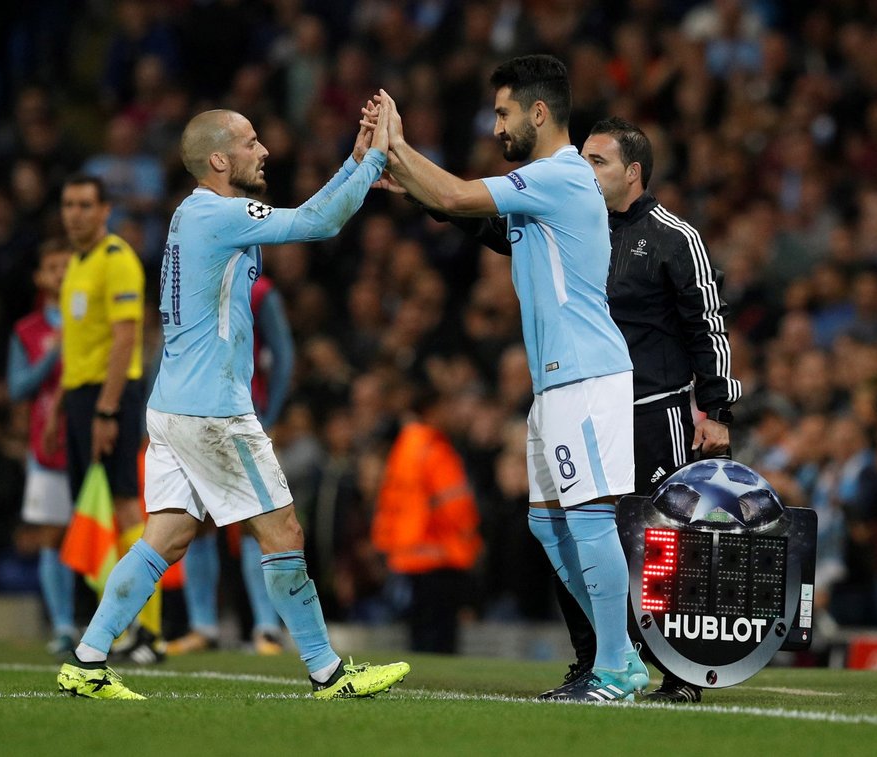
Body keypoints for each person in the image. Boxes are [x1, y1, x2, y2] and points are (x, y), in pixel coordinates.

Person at [56, 103, 410, 699]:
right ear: (219, 160)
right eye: (250, 142)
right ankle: (328, 672)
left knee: (165, 538)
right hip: (212, 412)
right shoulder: (219, 215)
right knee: (284, 532)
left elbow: (308, 215)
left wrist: (353, 165)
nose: (264, 149)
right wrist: (375, 157)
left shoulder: (194, 215)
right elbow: (315, 224)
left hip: (174, 405)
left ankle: (87, 662)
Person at [373, 55, 649, 701]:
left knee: (587, 519)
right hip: (556, 380)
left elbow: (454, 194)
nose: (496, 125)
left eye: (503, 113)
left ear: (539, 112)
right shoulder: (542, 188)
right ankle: (621, 650)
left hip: (584, 372)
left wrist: (399, 146)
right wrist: (408, 177)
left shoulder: (560, 176)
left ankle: (616, 666)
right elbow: (465, 211)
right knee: (548, 522)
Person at [535, 116, 740, 702]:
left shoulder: (676, 237)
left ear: (633, 172)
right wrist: (442, 205)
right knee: (573, 535)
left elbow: (709, 326)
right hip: (586, 410)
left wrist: (719, 410)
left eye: (597, 161)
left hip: (656, 413)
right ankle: (593, 661)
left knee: (664, 544)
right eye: (581, 159)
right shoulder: (577, 228)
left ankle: (682, 675)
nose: (584, 170)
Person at [52, 173, 164, 663]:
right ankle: (117, 624)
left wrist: (106, 409)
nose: (74, 213)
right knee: (97, 508)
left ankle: (149, 632)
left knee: (124, 508)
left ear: (104, 211)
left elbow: (125, 340)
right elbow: (79, 344)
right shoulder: (78, 264)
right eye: (68, 204)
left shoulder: (116, 261)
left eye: (84, 205)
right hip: (80, 396)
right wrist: (62, 403)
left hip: (109, 395)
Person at [167, 273, 295, 656]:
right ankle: (203, 626)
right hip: (193, 419)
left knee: (257, 523)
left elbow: (284, 355)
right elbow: (171, 350)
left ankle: (266, 628)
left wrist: (269, 414)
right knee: (198, 525)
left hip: (242, 417)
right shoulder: (189, 284)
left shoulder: (258, 291)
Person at [372, 384, 483, 653]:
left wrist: (387, 542)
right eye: (447, 407)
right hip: (440, 553)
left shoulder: (405, 446)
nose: (453, 413)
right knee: (441, 638)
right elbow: (455, 505)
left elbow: (391, 501)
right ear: (432, 411)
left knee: (420, 636)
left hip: (411, 553)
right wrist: (471, 539)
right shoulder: (434, 448)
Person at [7, 240, 76, 655]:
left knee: (99, 533)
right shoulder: (27, 331)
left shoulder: (95, 321)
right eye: (53, 268)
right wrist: (53, 355)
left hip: (89, 440)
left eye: (68, 266)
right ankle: (65, 625)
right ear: (40, 278)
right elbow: (18, 387)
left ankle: (117, 623)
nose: (62, 274)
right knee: (53, 536)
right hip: (47, 446)